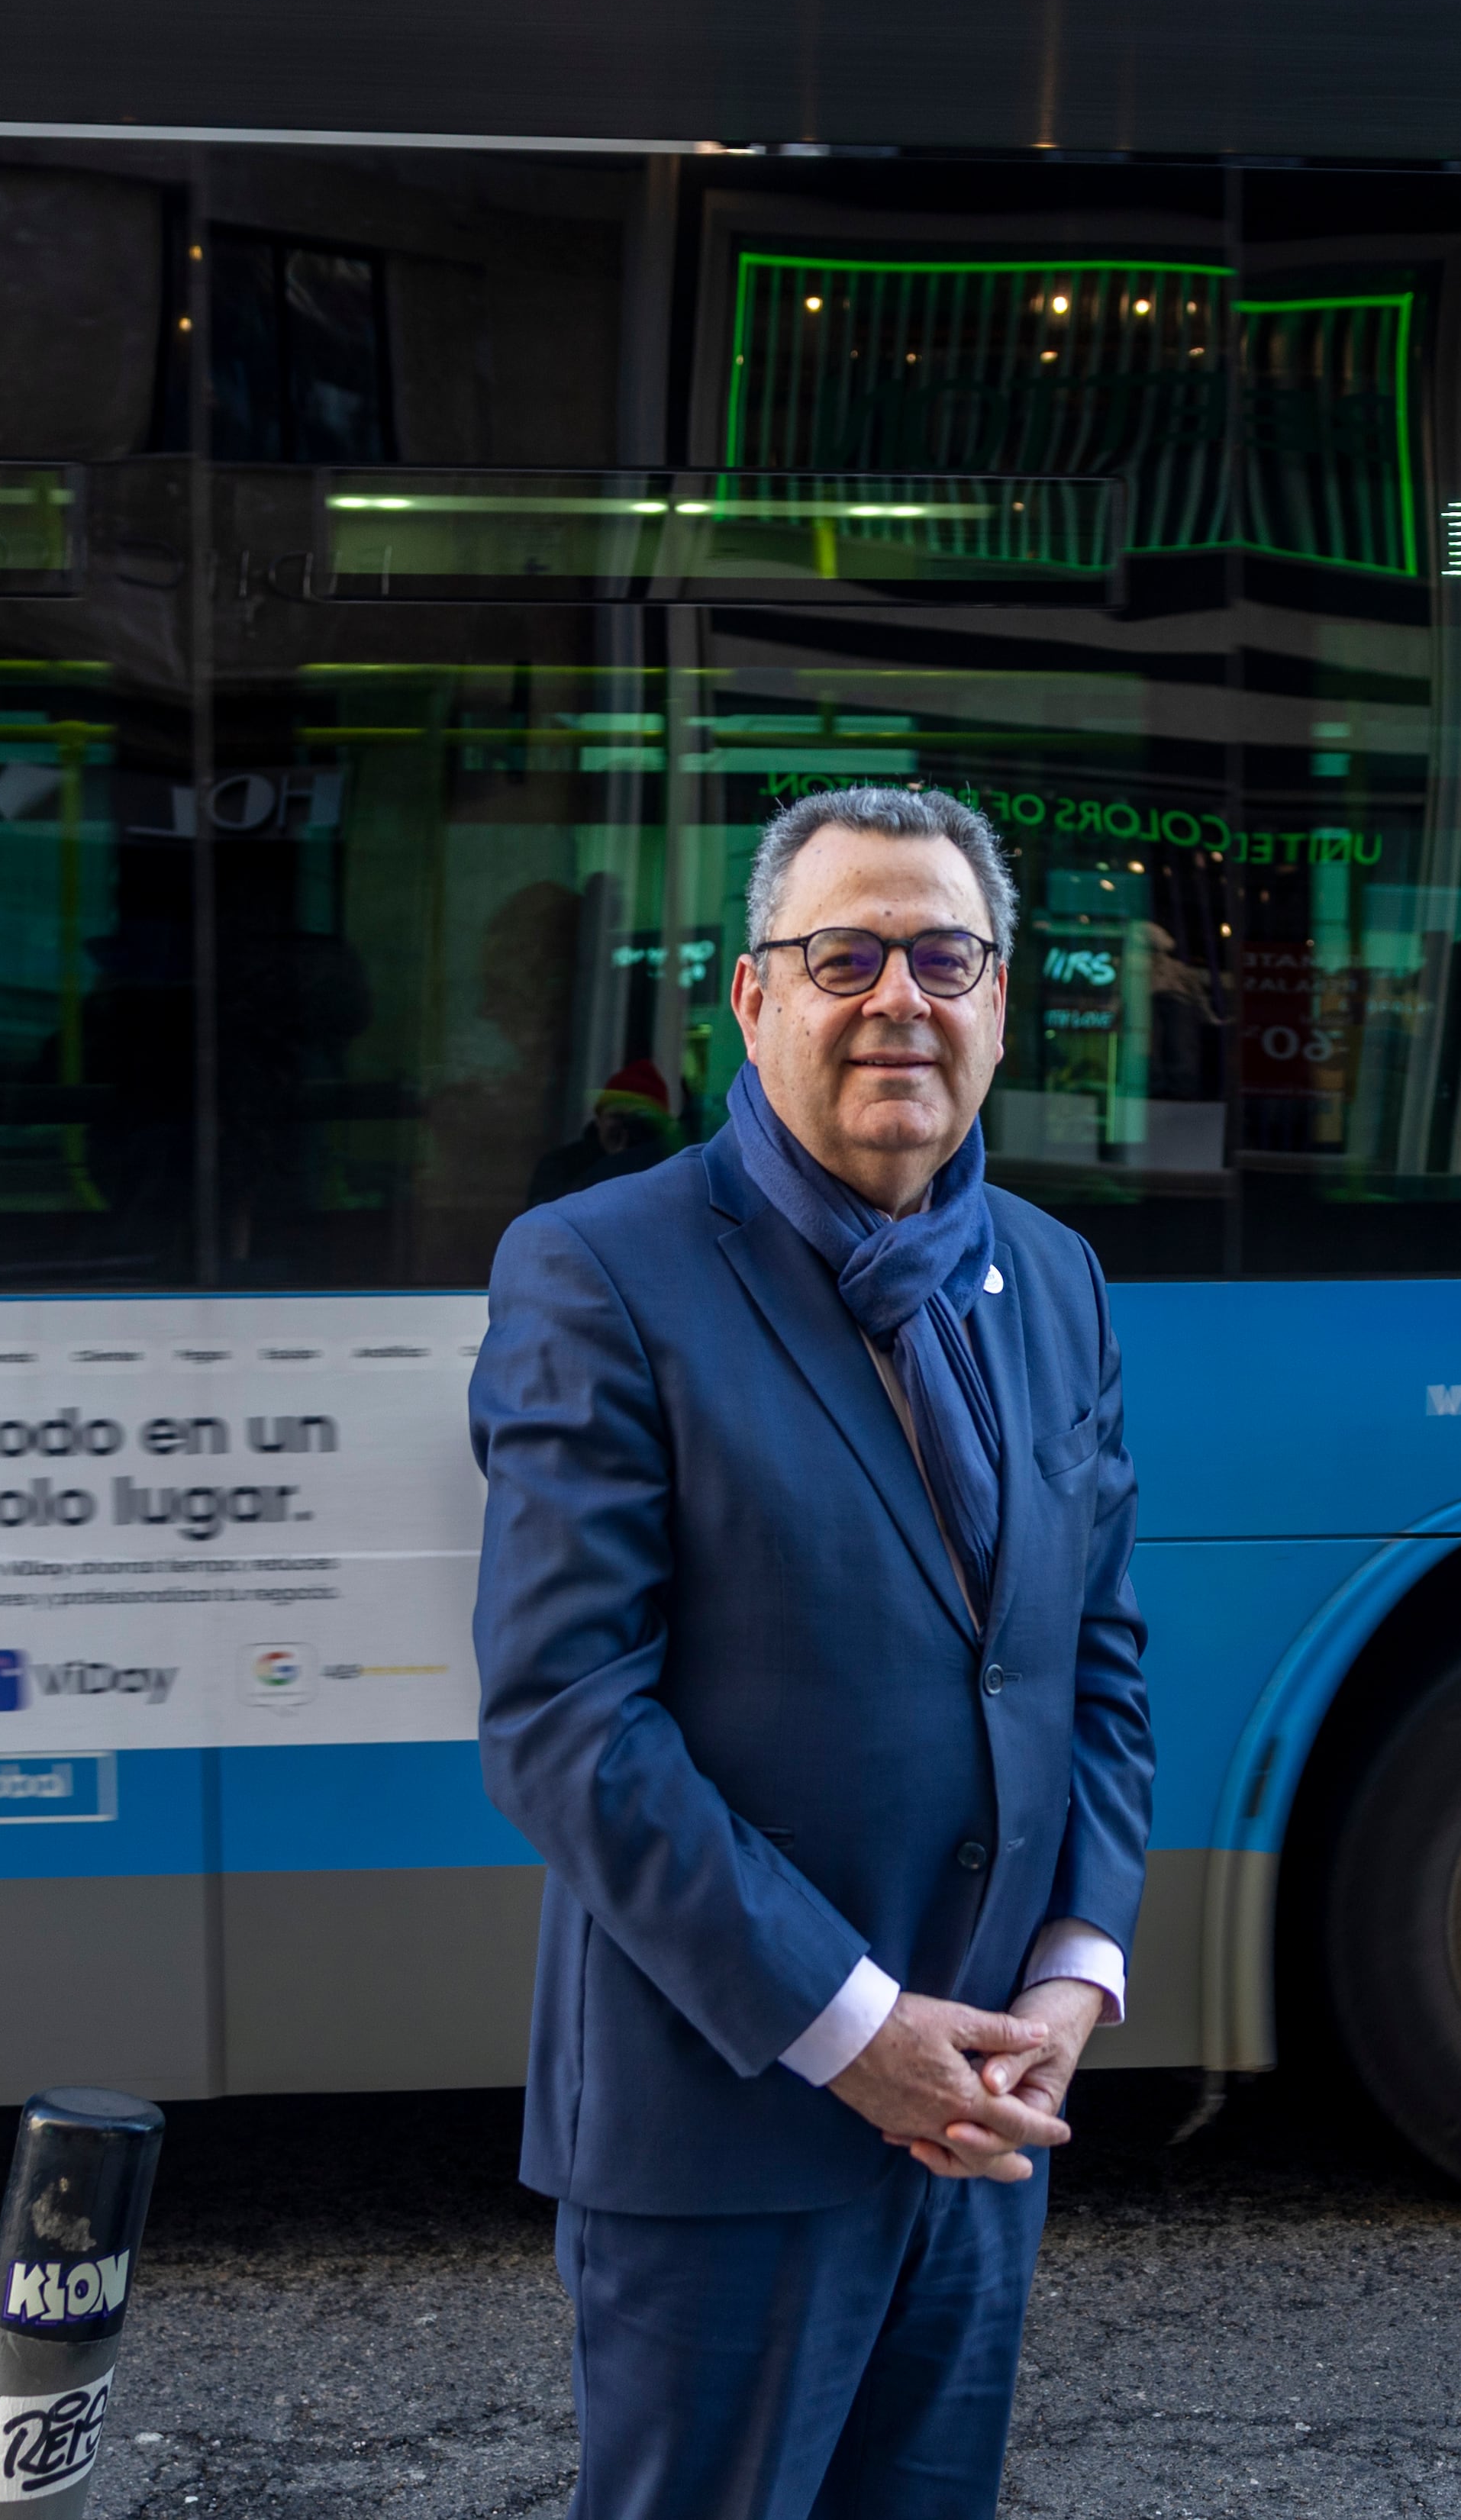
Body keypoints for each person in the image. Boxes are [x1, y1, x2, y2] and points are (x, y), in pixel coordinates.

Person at [469, 785, 1153, 2520]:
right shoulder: (598, 1270)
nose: (897, 998)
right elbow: (566, 1718)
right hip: (728, 2124)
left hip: (987, 2120)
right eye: (841, 954)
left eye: (942, 955)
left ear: (1001, 999)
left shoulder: (1054, 1276)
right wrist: (856, 2035)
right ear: (751, 998)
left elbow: (1096, 1657)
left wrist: (1074, 1969)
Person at [524, 1059, 678, 1206]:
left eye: (638, 1119)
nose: (626, 1128)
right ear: (598, 1119)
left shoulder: (673, 1169)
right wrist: (616, 1166)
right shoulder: (561, 1166)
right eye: (618, 1117)